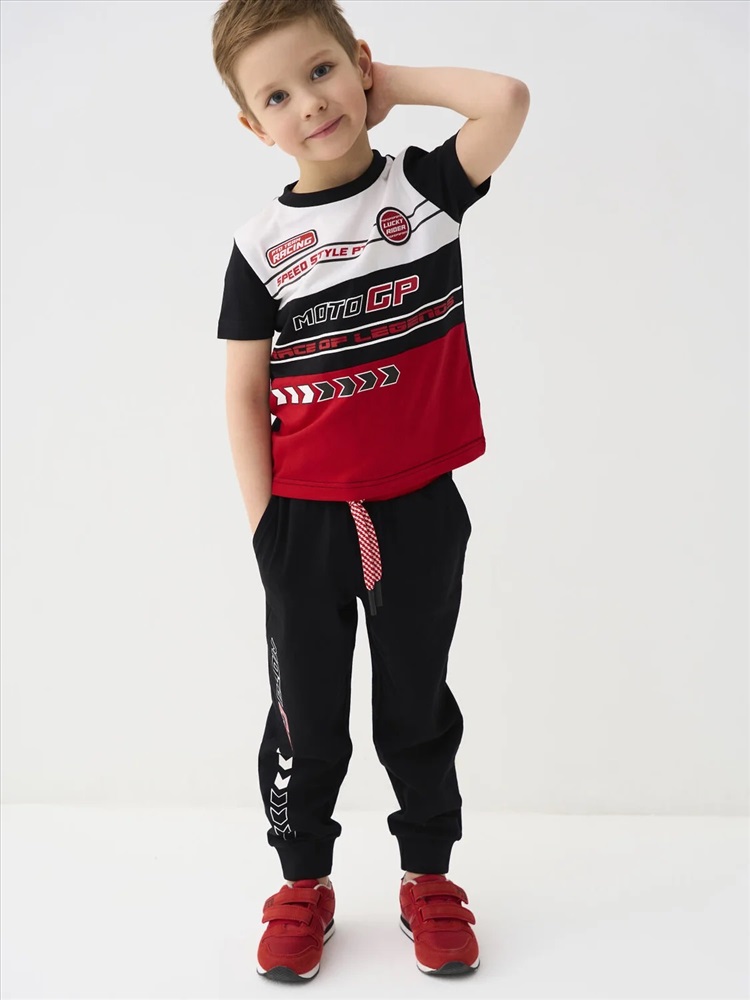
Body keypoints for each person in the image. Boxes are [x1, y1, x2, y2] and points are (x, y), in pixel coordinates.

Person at [211, 0, 530, 982]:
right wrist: (265, 527)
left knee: (415, 709)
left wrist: (395, 88)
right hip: (304, 523)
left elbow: (507, 101)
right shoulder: (262, 245)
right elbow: (242, 388)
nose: (309, 104)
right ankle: (301, 882)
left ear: (360, 65)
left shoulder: (426, 192)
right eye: (276, 96)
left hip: (419, 509)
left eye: (321, 73)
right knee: (306, 721)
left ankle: (428, 877)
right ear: (252, 126)